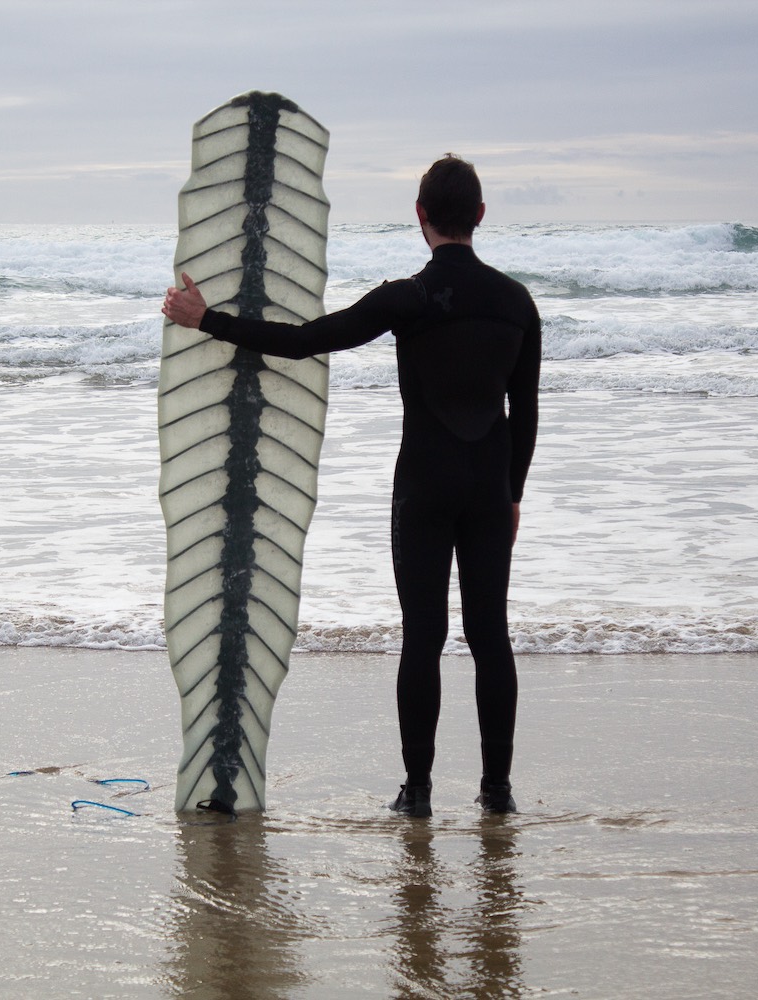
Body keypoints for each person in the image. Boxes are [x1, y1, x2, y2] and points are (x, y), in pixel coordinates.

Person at [162, 155, 541, 817]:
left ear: (420, 216)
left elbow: (308, 341)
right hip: (488, 487)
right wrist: (512, 493)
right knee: (490, 636)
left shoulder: (410, 298)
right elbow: (527, 412)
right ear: (480, 216)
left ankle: (417, 793)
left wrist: (209, 320)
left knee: (423, 636)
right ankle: (497, 791)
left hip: (423, 485)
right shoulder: (517, 304)